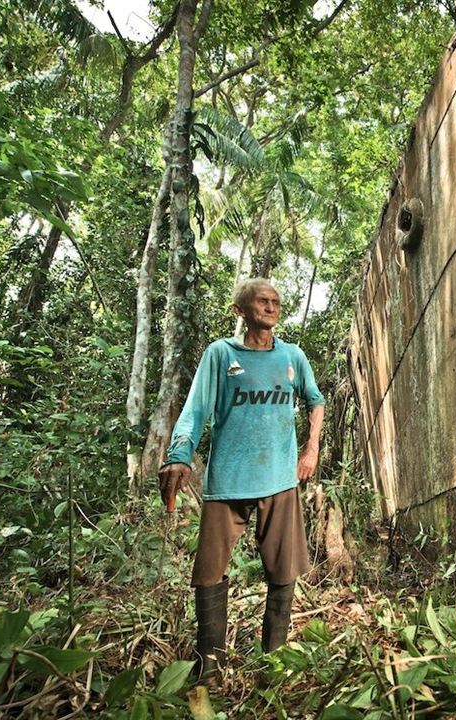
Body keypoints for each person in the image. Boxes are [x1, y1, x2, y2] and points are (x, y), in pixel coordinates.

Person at [157, 278, 325, 682]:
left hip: (280, 479)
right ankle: (208, 667)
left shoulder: (292, 356)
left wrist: (311, 448)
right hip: (228, 481)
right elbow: (195, 409)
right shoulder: (220, 354)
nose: (270, 307)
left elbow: (315, 401)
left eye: (275, 302)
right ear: (240, 310)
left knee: (283, 572)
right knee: (210, 573)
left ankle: (274, 662)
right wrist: (179, 456)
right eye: (261, 301)